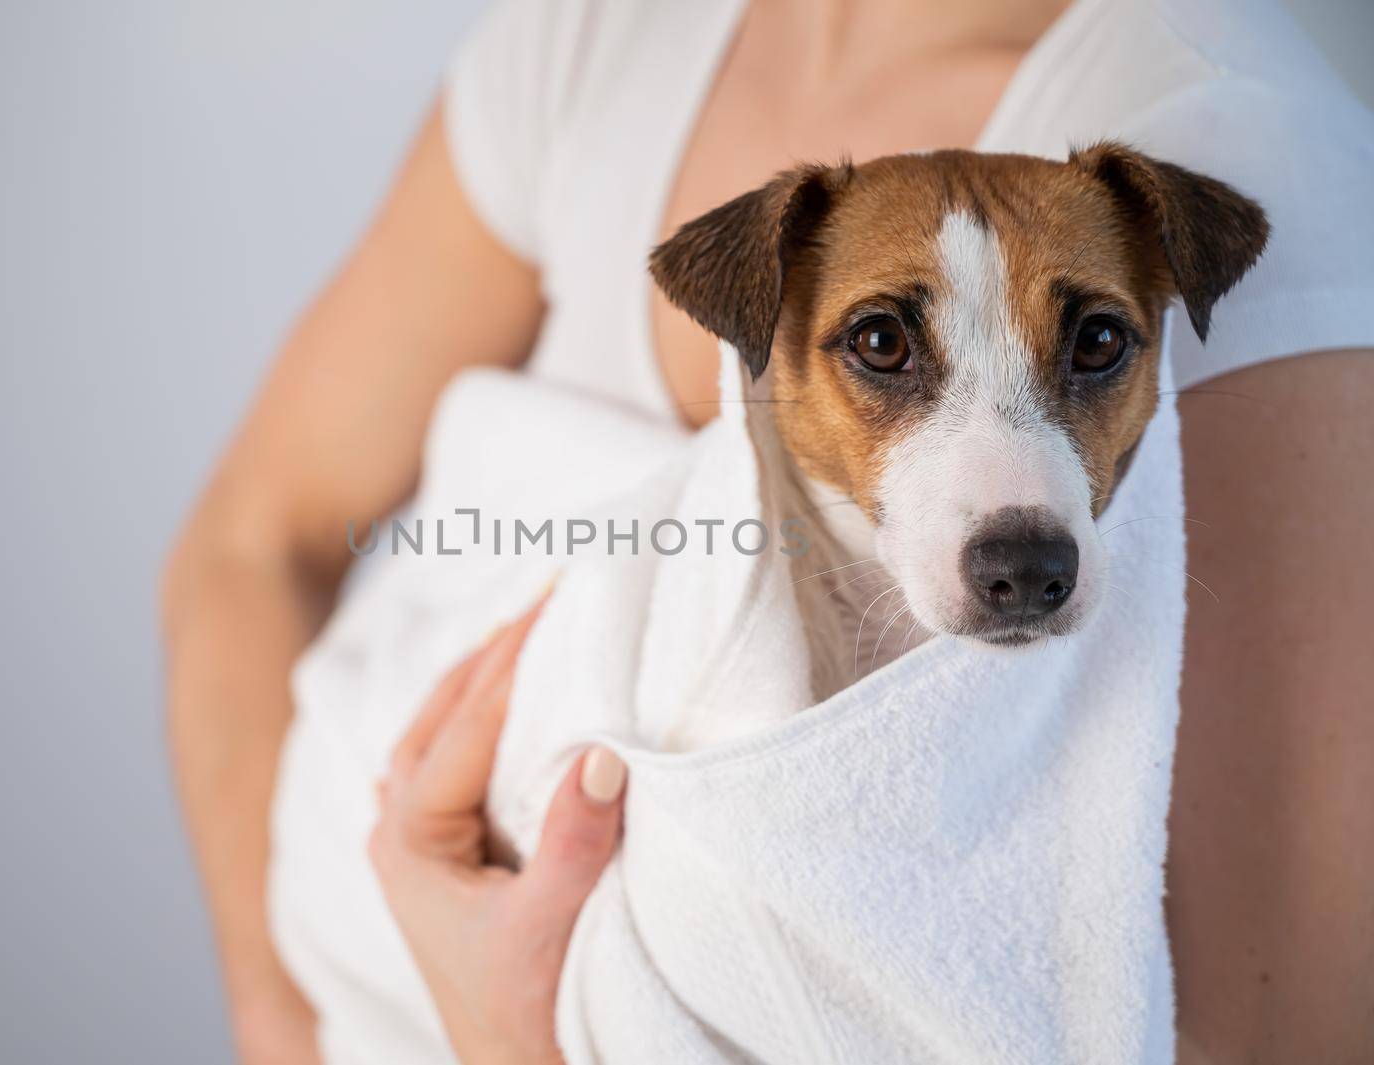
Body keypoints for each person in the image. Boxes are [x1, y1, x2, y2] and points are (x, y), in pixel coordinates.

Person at [160, 0, 1374, 1061]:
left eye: (1095, 346)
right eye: (886, 350)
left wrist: (508, 1041)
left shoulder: (1226, 126)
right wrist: (285, 1033)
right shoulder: (589, 38)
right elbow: (251, 545)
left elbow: (1271, 1035)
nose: (1015, 495)